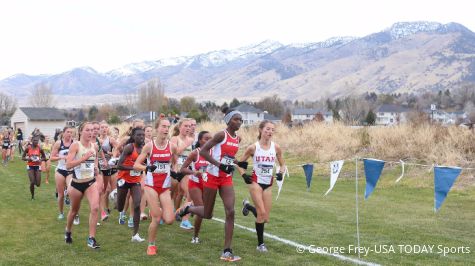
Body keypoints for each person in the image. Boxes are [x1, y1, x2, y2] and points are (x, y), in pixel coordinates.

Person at [177, 107, 243, 262]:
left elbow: (228, 156)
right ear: (228, 120)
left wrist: (238, 163)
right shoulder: (221, 135)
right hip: (212, 177)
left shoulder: (237, 138)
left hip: (226, 178)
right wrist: (219, 165)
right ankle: (188, 208)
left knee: (231, 211)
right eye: (236, 119)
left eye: (241, 120)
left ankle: (227, 251)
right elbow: (205, 152)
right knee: (207, 214)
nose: (239, 122)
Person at [133, 118, 180, 256]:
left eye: (168, 127)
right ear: (157, 128)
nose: (166, 129)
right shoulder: (149, 146)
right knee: (157, 218)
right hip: (151, 186)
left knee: (170, 220)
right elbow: (136, 165)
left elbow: (175, 162)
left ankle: (173, 209)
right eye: (163, 126)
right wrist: (147, 167)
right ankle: (151, 245)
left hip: (165, 187)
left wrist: (175, 171)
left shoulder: (172, 146)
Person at [237, 120, 286, 252]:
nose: (270, 132)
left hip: (269, 184)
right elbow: (239, 163)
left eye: (272, 130)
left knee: (265, 218)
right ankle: (260, 244)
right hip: (256, 182)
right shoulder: (253, 147)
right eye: (267, 129)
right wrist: (244, 175)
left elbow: (282, 164)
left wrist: (281, 173)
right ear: (260, 130)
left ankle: (247, 206)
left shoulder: (276, 147)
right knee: (261, 213)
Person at [64, 122, 101, 249]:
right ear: (80, 132)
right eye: (87, 130)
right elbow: (68, 165)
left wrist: (95, 167)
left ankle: (91, 238)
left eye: (92, 130)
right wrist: (83, 159)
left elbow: (95, 159)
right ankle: (68, 231)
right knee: (74, 211)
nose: (91, 132)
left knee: (95, 208)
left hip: (90, 182)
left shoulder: (94, 146)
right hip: (77, 184)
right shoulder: (76, 145)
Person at [179, 130, 212, 244]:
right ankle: (195, 237)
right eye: (206, 139)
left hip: (208, 185)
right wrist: (194, 172)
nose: (209, 141)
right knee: (201, 209)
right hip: (195, 184)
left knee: (206, 212)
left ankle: (188, 209)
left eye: (210, 139)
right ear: (200, 140)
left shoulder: (215, 153)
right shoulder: (195, 153)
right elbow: (182, 169)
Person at [117, 127, 146, 242]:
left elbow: (145, 164)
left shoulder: (145, 150)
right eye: (138, 135)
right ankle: (115, 195)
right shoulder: (129, 147)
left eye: (143, 135)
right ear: (133, 137)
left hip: (135, 181)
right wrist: (134, 167)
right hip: (123, 179)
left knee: (137, 204)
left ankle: (135, 234)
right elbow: (119, 165)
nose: (141, 137)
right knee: (119, 207)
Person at [170, 118, 194, 230]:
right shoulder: (175, 139)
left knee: (189, 193)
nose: (188, 128)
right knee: (171, 194)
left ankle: (185, 220)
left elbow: (190, 157)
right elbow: (176, 152)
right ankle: (165, 213)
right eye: (185, 126)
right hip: (175, 170)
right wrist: (186, 144)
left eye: (189, 126)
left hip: (185, 170)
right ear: (180, 127)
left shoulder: (190, 139)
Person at [50, 126, 74, 220]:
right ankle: (61, 213)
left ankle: (73, 212)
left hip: (71, 170)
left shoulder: (74, 143)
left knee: (71, 190)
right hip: (60, 170)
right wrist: (61, 157)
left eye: (71, 132)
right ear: (63, 133)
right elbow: (51, 158)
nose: (69, 134)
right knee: (60, 195)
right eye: (68, 132)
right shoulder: (58, 143)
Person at [22, 135, 46, 199]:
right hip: (30, 166)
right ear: (32, 141)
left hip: (37, 166)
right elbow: (23, 157)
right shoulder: (28, 148)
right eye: (35, 140)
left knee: (38, 184)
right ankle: (32, 196)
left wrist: (40, 160)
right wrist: (28, 159)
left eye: (37, 141)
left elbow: (44, 157)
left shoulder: (40, 148)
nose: (36, 142)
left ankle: (34, 180)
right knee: (32, 182)